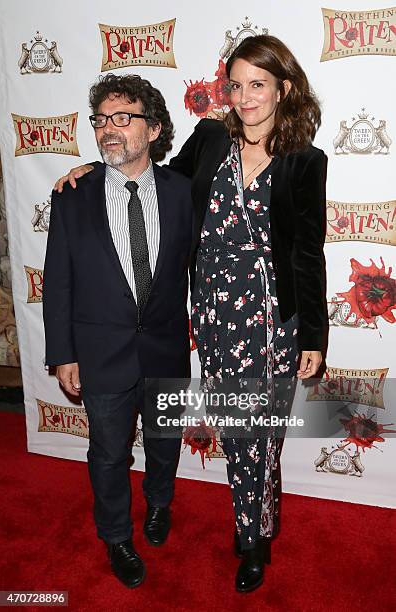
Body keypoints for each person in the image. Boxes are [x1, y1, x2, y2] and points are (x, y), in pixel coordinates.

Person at [54, 35, 328, 593]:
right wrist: (89, 165)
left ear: (285, 88)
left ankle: (254, 539)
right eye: (236, 85)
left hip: (272, 320)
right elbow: (148, 176)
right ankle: (250, 521)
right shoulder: (208, 139)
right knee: (235, 430)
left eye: (259, 84)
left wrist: (313, 335)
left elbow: (307, 251)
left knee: (261, 434)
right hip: (214, 320)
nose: (245, 97)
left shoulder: (305, 160)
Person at [43, 74, 192, 589]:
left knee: (164, 441)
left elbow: (222, 131)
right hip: (101, 351)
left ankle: (158, 505)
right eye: (101, 119)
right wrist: (63, 353)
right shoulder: (72, 195)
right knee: (107, 452)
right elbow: (58, 281)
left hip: (167, 348)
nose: (109, 129)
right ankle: (115, 536)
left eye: (123, 118)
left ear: (152, 129)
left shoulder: (183, 192)